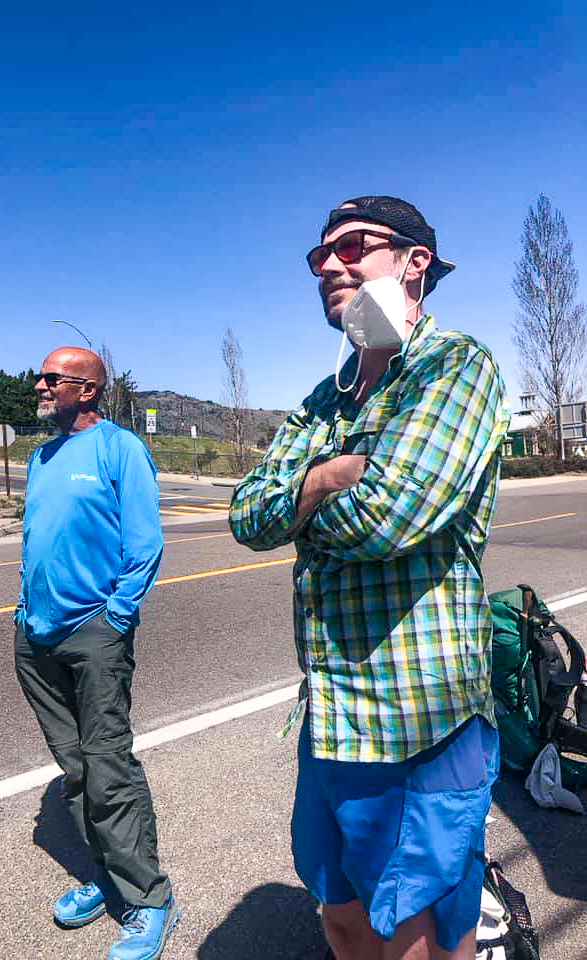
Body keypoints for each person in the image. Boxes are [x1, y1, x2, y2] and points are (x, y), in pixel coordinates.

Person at [229, 196, 511, 960]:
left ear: (414, 262)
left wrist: (302, 504)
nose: (328, 263)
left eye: (353, 246)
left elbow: (387, 515)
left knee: (419, 932)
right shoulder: (324, 400)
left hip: (419, 718)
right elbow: (247, 516)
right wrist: (325, 479)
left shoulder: (457, 365)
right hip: (330, 716)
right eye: (318, 255)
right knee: (339, 912)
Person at [14, 346, 180, 960]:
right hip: (36, 637)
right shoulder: (40, 456)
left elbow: (145, 545)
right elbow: (38, 540)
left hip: (95, 635)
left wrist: (115, 619)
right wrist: (21, 608)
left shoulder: (119, 449)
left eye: (50, 378)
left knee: (108, 768)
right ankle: (106, 875)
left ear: (86, 390)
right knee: (76, 768)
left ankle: (149, 898)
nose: (38, 385)